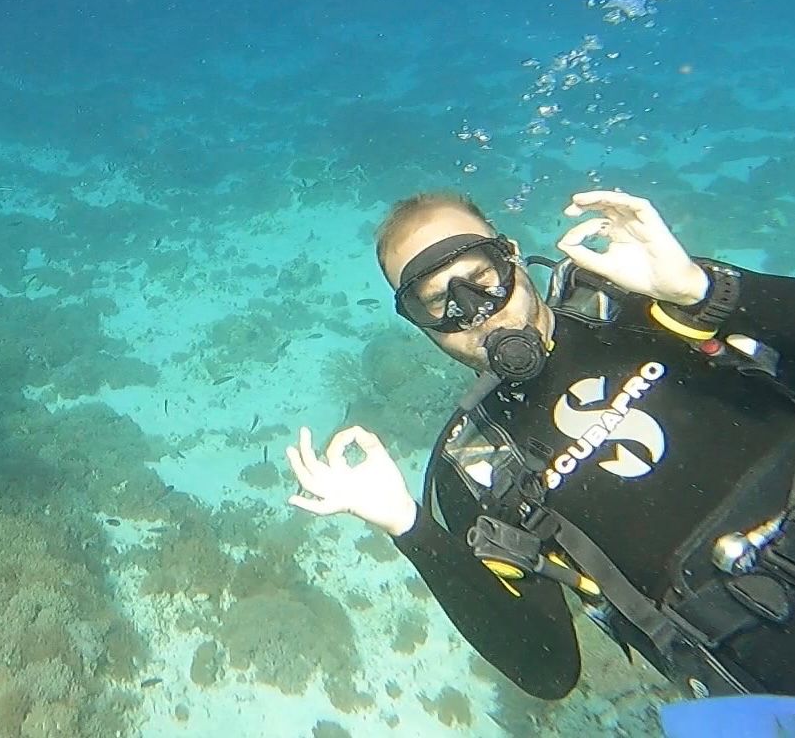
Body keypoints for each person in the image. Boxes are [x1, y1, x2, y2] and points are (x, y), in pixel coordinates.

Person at [286, 189, 795, 700]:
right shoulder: (474, 466)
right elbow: (546, 670)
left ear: (510, 257)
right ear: (421, 326)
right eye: (439, 301)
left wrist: (703, 290)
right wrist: (409, 525)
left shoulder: (637, 301)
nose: (474, 311)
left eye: (481, 277)